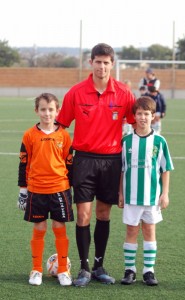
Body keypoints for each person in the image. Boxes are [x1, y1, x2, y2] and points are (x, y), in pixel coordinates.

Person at [56, 43, 136, 287]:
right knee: (83, 214)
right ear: (90, 62)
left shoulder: (124, 93)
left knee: (103, 213)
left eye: (106, 62)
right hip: (84, 161)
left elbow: (136, 124)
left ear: (112, 64)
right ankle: (84, 268)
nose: (102, 66)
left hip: (111, 161)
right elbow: (61, 127)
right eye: (98, 61)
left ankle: (100, 266)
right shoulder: (76, 93)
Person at [17, 93, 74, 286]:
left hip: (60, 188)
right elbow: (23, 164)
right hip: (36, 189)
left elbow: (69, 163)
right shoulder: (29, 135)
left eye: (51, 110)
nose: (47, 113)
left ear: (57, 111)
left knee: (59, 227)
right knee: (39, 228)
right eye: (43, 109)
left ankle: (64, 270)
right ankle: (36, 270)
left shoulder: (64, 136)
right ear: (37, 111)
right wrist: (23, 191)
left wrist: (70, 190)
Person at [118, 96, 174, 286]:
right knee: (131, 231)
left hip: (152, 197)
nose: (143, 117)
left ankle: (148, 271)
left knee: (149, 230)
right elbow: (122, 169)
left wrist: (164, 194)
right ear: (134, 116)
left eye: (147, 114)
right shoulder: (126, 141)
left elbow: (165, 169)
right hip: (131, 197)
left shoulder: (159, 141)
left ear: (153, 117)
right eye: (140, 114)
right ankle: (129, 270)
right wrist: (120, 193)